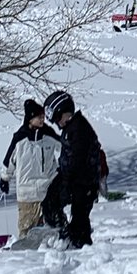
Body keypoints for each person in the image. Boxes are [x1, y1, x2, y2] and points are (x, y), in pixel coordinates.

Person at [41, 90, 104, 249]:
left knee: (80, 216)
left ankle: (79, 243)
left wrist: (67, 183)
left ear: (65, 112)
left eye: (57, 119)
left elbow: (78, 159)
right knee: (50, 201)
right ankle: (61, 230)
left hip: (83, 182)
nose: (57, 124)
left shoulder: (79, 129)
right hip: (71, 177)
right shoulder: (71, 129)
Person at [0, 99, 62, 238]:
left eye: (43, 116)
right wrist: (5, 178)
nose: (42, 119)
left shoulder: (48, 135)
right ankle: (26, 255)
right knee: (26, 230)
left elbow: (65, 149)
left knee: (54, 227)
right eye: (38, 116)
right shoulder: (19, 139)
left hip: (48, 190)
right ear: (30, 118)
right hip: (26, 193)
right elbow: (9, 161)